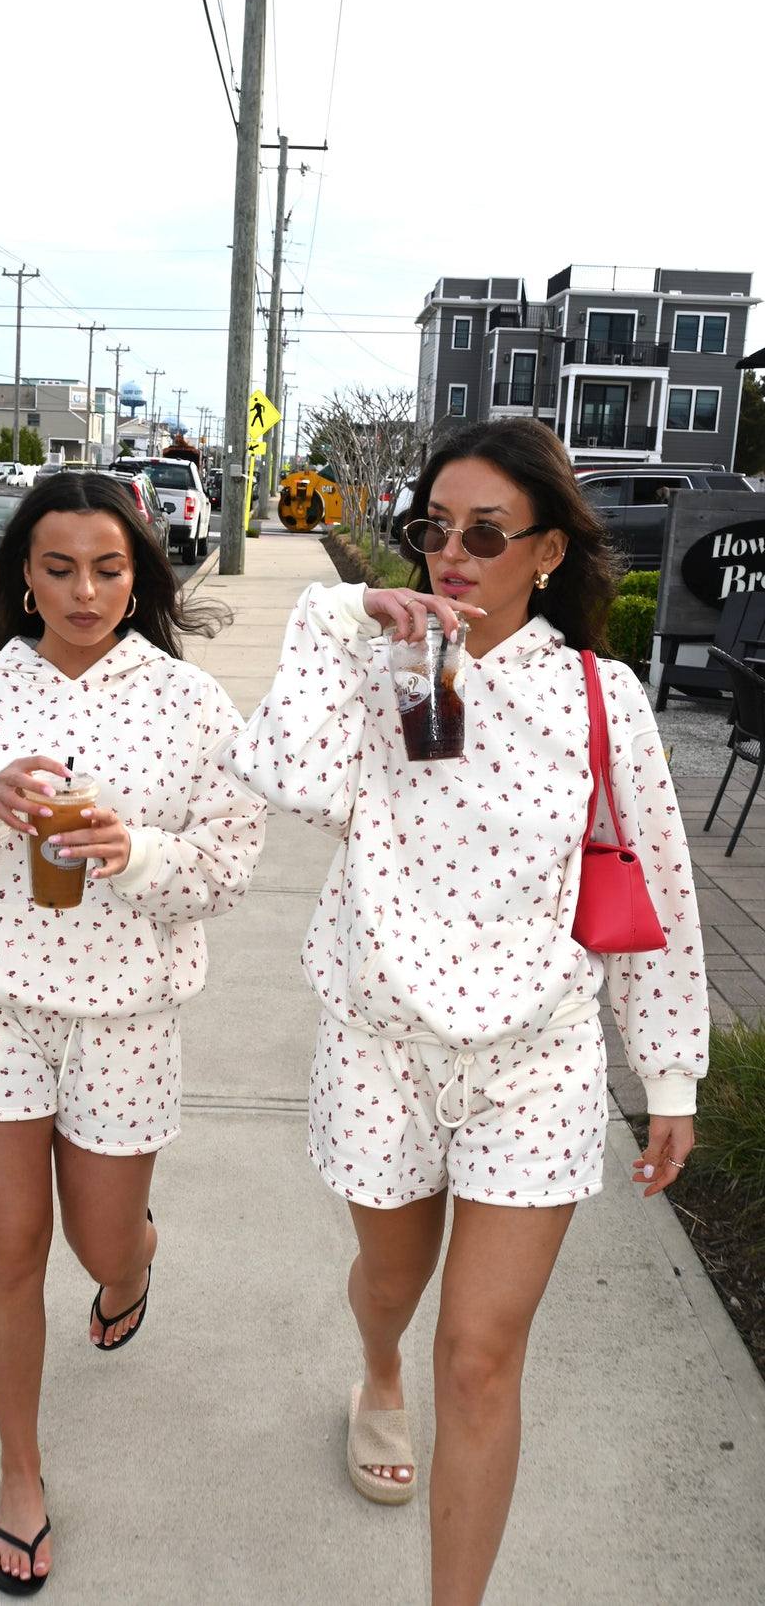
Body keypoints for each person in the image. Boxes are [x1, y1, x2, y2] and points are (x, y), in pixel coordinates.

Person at [223, 417, 707, 1606]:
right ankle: (374, 1368)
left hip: (533, 1063)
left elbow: (658, 888)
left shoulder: (603, 699)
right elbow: (288, 778)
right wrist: (340, 622)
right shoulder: (377, 668)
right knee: (391, 1287)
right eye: (433, 530)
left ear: (548, 551)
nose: (453, 554)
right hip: (380, 1048)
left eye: (486, 533)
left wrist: (669, 1074)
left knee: (482, 1359)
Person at [0, 471, 265, 1594]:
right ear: (24, 579)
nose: (85, 592)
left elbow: (228, 872)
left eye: (108, 567)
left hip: (124, 1017)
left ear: (139, 577)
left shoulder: (190, 708)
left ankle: (132, 1252)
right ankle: (21, 1475)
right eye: (58, 568)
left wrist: (133, 850)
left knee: (97, 1248)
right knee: (8, 1255)